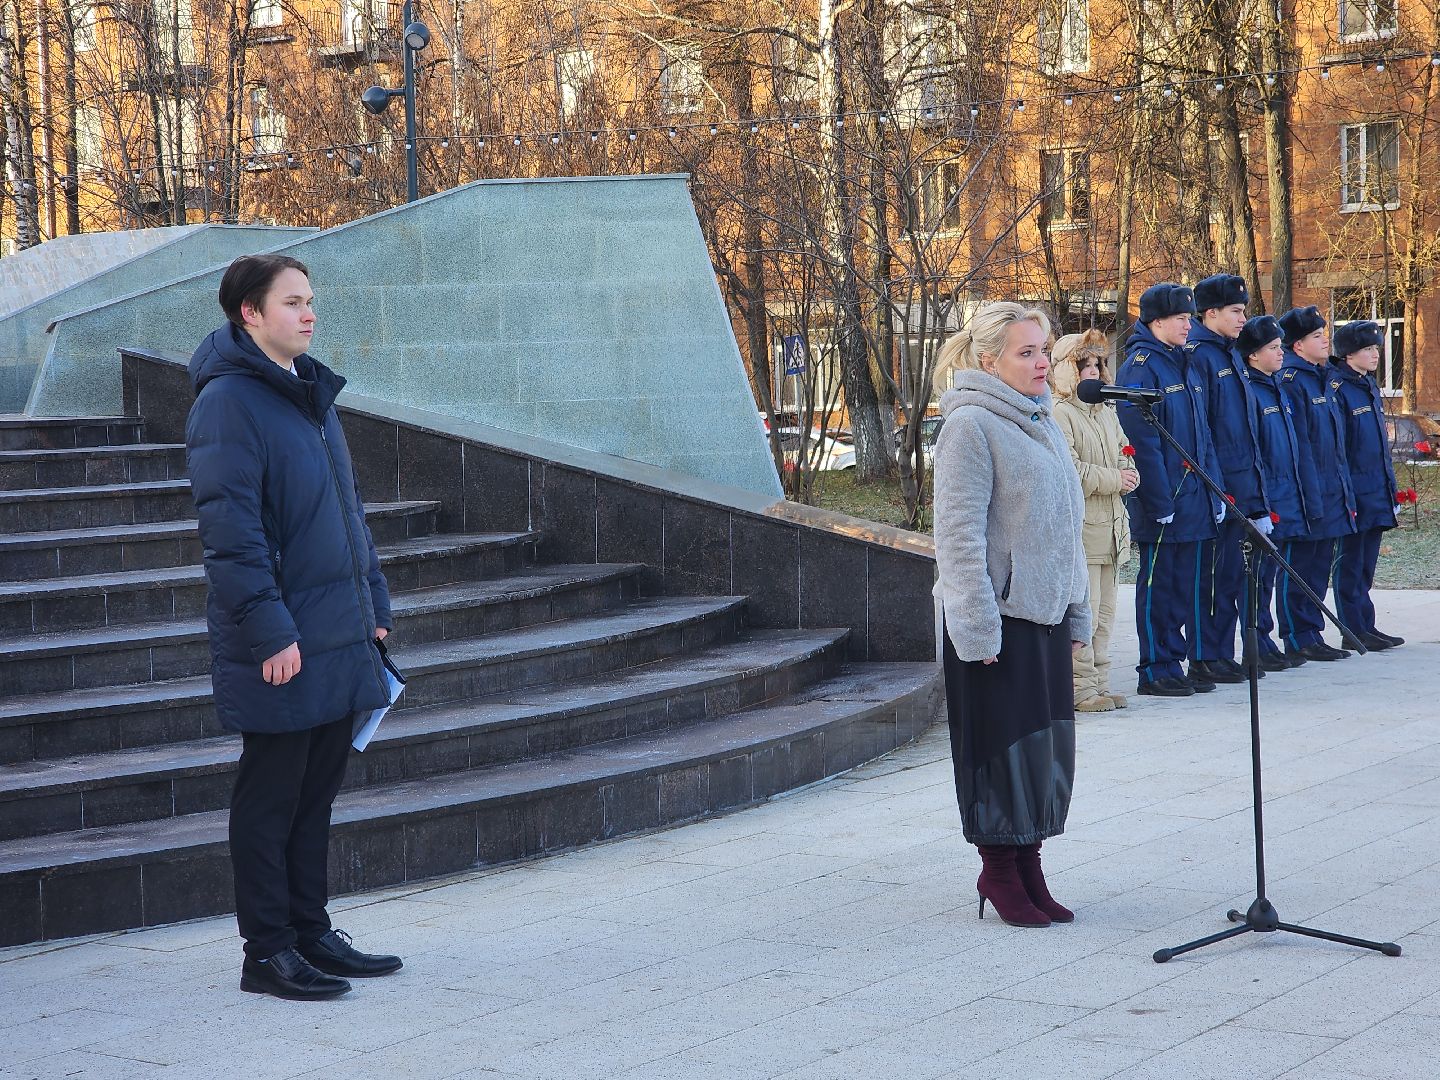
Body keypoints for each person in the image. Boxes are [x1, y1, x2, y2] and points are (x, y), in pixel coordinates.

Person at [186, 254, 404, 1001]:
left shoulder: (310, 394)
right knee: (271, 797)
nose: (308, 313)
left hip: (339, 629)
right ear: (249, 313)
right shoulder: (228, 404)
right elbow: (232, 536)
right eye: (291, 302)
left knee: (315, 795)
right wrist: (270, 632)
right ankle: (268, 951)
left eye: (310, 300)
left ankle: (311, 931)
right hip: (283, 640)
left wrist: (375, 606)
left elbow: (348, 515)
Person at [932, 301, 1090, 928]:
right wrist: (975, 627)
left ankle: (1029, 864)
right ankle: (998, 869)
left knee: (1042, 752)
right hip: (997, 621)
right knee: (1000, 751)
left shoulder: (1042, 419)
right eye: (1026, 352)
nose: (1042, 362)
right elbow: (958, 537)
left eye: (1044, 349)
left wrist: (1076, 611)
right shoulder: (970, 426)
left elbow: (1067, 526)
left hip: (1045, 615)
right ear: (987, 360)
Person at [1115, 283, 1226, 697]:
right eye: (1180, 318)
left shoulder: (1185, 363)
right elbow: (1142, 443)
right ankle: (1155, 667)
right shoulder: (1141, 367)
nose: (1188, 325)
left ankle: (1175, 662)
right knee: (1159, 587)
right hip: (1165, 501)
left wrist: (1216, 492)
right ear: (1156, 321)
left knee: (1184, 586)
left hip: (1195, 496)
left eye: (1189, 318)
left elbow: (1203, 436)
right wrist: (1158, 501)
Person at [1186, 274, 1268, 685]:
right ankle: (1204, 654)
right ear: (1211, 313)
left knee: (1233, 574)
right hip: (1219, 484)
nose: (1242, 318)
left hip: (1243, 481)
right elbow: (1205, 429)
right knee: (1214, 576)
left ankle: (1220, 651)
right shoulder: (1199, 355)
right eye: (1235, 311)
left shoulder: (1229, 353)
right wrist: (1217, 486)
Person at [1050, 329, 1137, 713]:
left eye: (1099, 365)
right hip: (1083, 532)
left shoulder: (1106, 412)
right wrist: (1116, 479)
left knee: (1105, 616)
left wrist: (1128, 474)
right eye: (1085, 365)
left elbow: (1124, 454)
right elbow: (1071, 471)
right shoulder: (1060, 413)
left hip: (1112, 529)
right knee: (1083, 617)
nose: (1094, 372)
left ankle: (1100, 684)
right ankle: (1079, 690)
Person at [1276, 305, 1357, 661]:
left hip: (1330, 488)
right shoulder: (1292, 381)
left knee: (1320, 565)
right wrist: (1309, 493)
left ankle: (1312, 631)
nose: (1326, 340)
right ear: (1297, 345)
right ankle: (1297, 635)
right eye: (1316, 336)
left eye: (1324, 333)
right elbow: (1300, 446)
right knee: (1300, 565)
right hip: (1307, 491)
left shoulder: (1322, 377)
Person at [1330, 320, 1406, 651]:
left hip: (1375, 487)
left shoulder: (1367, 385)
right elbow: (1341, 449)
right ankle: (1352, 628)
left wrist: (1390, 488)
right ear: (1349, 354)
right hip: (1354, 490)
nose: (1375, 354)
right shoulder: (1338, 388)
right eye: (1368, 349)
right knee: (1350, 562)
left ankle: (1366, 623)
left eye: (1376, 348)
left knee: (1366, 564)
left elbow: (1376, 447)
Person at [1237, 316, 1306, 670]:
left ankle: (1266, 639)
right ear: (1253, 355)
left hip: (1283, 492)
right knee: (1256, 577)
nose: (1281, 353)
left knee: (1270, 575)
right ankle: (1257, 642)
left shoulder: (1277, 387)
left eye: (1281, 346)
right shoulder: (1251, 391)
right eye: (1273, 348)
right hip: (1263, 495)